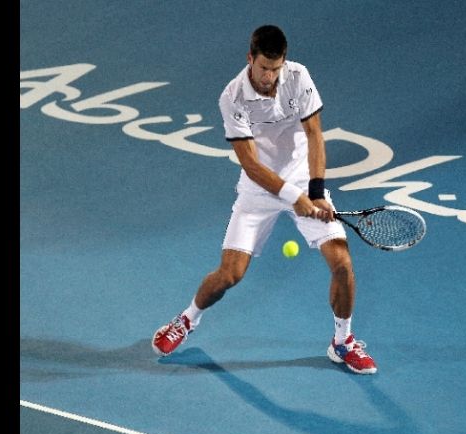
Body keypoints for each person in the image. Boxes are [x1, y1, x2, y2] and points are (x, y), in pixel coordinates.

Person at [151, 25, 377, 374]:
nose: (270, 76)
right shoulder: (232, 97)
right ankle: (186, 320)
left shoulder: (298, 77)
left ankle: (342, 342)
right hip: (259, 190)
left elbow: (315, 134)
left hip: (303, 180)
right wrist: (294, 198)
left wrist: (315, 191)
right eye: (264, 68)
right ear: (250, 59)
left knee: (343, 265)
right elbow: (252, 165)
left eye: (276, 68)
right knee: (230, 275)